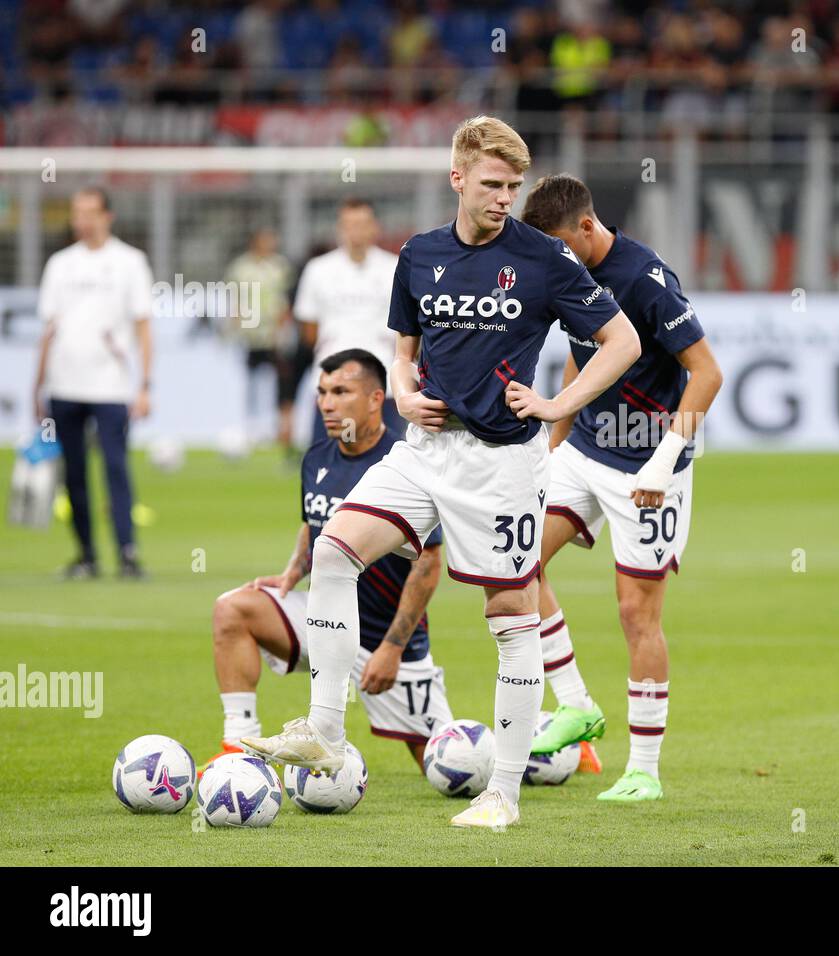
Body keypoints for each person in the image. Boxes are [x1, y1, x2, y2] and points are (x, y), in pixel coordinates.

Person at [242, 116, 642, 830]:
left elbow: (623, 339)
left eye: (514, 187)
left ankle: (505, 794)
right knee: (334, 551)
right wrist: (398, 389)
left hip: (501, 465)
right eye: (492, 185)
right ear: (457, 179)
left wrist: (559, 403)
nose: (504, 198)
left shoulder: (545, 259)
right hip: (423, 453)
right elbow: (403, 348)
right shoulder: (420, 256)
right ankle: (326, 734)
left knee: (511, 619)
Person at [520, 174, 723, 802]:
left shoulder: (644, 277)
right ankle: (576, 705)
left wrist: (664, 462)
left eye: (556, 243)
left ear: (586, 227)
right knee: (515, 564)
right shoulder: (567, 271)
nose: (550, 257)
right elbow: (584, 355)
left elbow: (708, 373)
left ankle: (643, 770)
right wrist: (551, 445)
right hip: (584, 452)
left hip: (648, 467)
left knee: (637, 615)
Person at [208, 349, 449, 771]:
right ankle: (235, 751)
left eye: (341, 391)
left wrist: (392, 648)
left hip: (385, 642)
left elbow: (428, 565)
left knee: (451, 768)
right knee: (233, 609)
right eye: (321, 392)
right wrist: (293, 570)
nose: (327, 403)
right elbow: (314, 524)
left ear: (377, 399)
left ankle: (540, 755)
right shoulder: (317, 456)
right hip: (325, 627)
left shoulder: (405, 465)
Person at [32, 187, 152, 579]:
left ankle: (127, 552)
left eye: (89, 212)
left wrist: (145, 384)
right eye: (76, 212)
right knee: (74, 474)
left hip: (110, 386)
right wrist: (37, 385)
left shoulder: (129, 262)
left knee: (116, 468)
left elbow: (142, 326)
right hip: (64, 385)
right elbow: (48, 329)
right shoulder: (60, 264)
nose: (82, 220)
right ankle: (86, 555)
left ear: (107, 216)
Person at [293, 198, 406, 443]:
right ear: (339, 228)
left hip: (382, 382)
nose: (356, 231)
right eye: (349, 224)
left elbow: (407, 329)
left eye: (362, 224)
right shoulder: (318, 269)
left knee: (385, 466)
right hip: (331, 383)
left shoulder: (396, 268)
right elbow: (309, 329)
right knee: (326, 464)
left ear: (375, 227)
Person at [224, 227, 293, 449]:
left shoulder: (280, 267)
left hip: (272, 335)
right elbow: (234, 299)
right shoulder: (241, 268)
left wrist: (282, 329)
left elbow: (285, 300)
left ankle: (273, 427)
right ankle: (249, 426)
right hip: (249, 335)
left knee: (276, 382)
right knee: (249, 382)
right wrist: (234, 325)